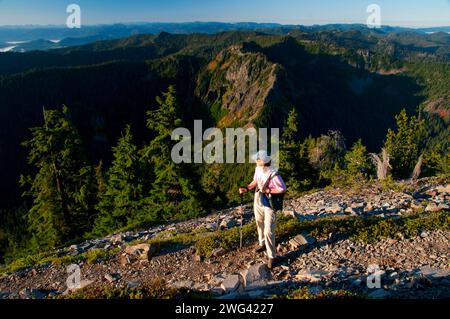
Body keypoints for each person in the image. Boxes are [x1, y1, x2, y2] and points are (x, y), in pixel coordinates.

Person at [239, 150, 287, 269]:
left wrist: (268, 191)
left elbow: (282, 189)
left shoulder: (274, 174)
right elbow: (256, 181)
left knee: (268, 229)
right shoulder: (258, 168)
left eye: (257, 159)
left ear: (263, 161)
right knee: (259, 221)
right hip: (258, 197)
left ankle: (272, 256)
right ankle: (262, 243)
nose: (255, 160)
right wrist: (248, 188)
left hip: (269, 200)